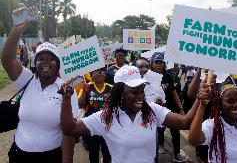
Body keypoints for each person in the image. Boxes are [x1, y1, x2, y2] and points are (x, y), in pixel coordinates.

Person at [60, 65, 197, 163]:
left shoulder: (153, 110)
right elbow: (69, 129)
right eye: (134, 92)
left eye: (141, 91)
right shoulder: (106, 116)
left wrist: (200, 102)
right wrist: (66, 99)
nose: (140, 96)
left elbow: (185, 122)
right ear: (120, 93)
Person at [1, 8, 78, 163]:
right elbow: (7, 60)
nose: (45, 62)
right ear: (35, 63)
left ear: (58, 64)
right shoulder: (28, 80)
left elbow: (68, 133)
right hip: (19, 155)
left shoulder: (66, 90)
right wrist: (17, 29)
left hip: (50, 157)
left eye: (50, 58)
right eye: (41, 58)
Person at [150, 52, 187, 162]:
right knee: (159, 129)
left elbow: (174, 92)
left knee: (175, 131)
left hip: (171, 108)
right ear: (152, 63)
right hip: (156, 110)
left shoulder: (168, 76)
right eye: (156, 62)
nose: (159, 65)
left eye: (161, 62)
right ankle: (160, 144)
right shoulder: (148, 77)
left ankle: (177, 153)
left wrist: (180, 108)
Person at [78, 67, 111, 163]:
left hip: (107, 126)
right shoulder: (87, 86)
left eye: (102, 71)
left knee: (107, 153)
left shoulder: (111, 87)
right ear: (92, 75)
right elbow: (80, 105)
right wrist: (84, 91)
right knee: (93, 152)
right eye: (97, 71)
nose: (100, 73)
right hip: (91, 125)